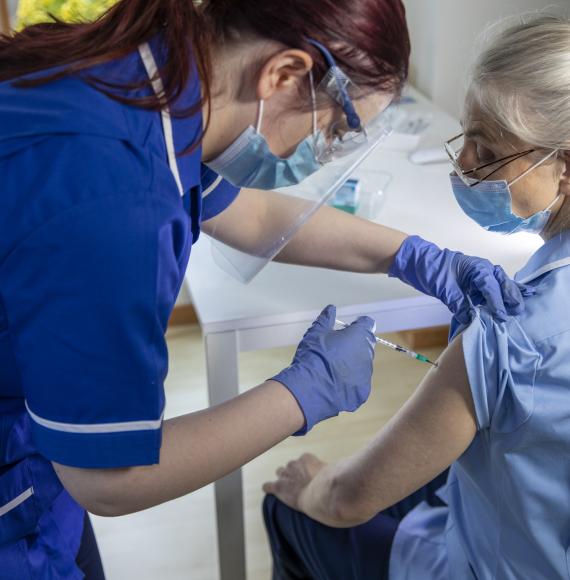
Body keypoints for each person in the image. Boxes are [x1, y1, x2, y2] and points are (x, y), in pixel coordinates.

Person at [0, 1, 529, 578]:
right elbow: (107, 481)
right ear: (282, 74)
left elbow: (249, 216)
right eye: (335, 128)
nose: (324, 147)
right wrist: (301, 393)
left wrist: (412, 255)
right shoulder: (116, 203)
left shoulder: (153, 76)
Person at [262, 13, 570, 580]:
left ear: (564, 168)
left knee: (288, 505)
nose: (464, 165)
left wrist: (307, 481)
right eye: (465, 135)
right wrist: (414, 256)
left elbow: (346, 499)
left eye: (489, 149)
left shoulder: (514, 327)